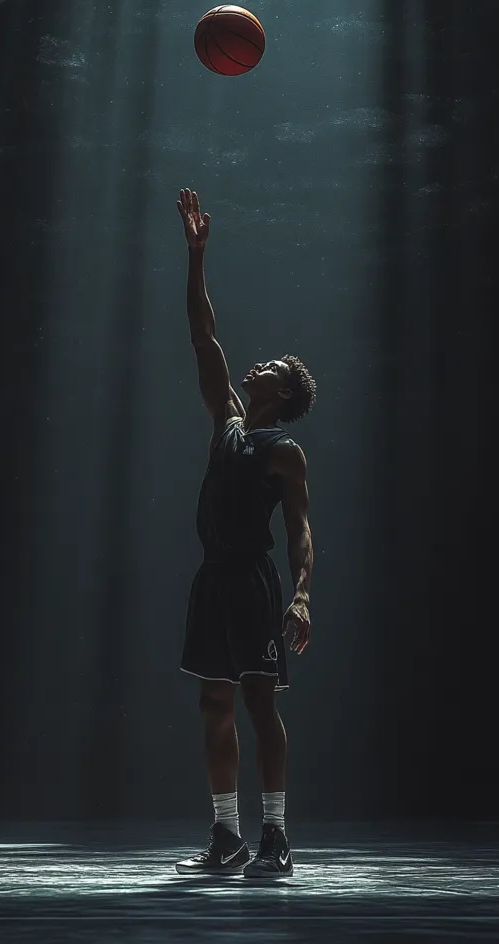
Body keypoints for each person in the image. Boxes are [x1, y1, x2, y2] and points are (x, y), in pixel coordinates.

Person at [175, 188, 315, 879]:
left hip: (256, 580)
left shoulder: (284, 452)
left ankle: (277, 838)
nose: (261, 363)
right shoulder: (226, 421)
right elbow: (204, 333)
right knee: (212, 699)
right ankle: (225, 836)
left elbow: (301, 532)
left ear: (284, 393)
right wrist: (196, 256)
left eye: (276, 367)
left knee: (260, 702)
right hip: (214, 578)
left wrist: (302, 595)